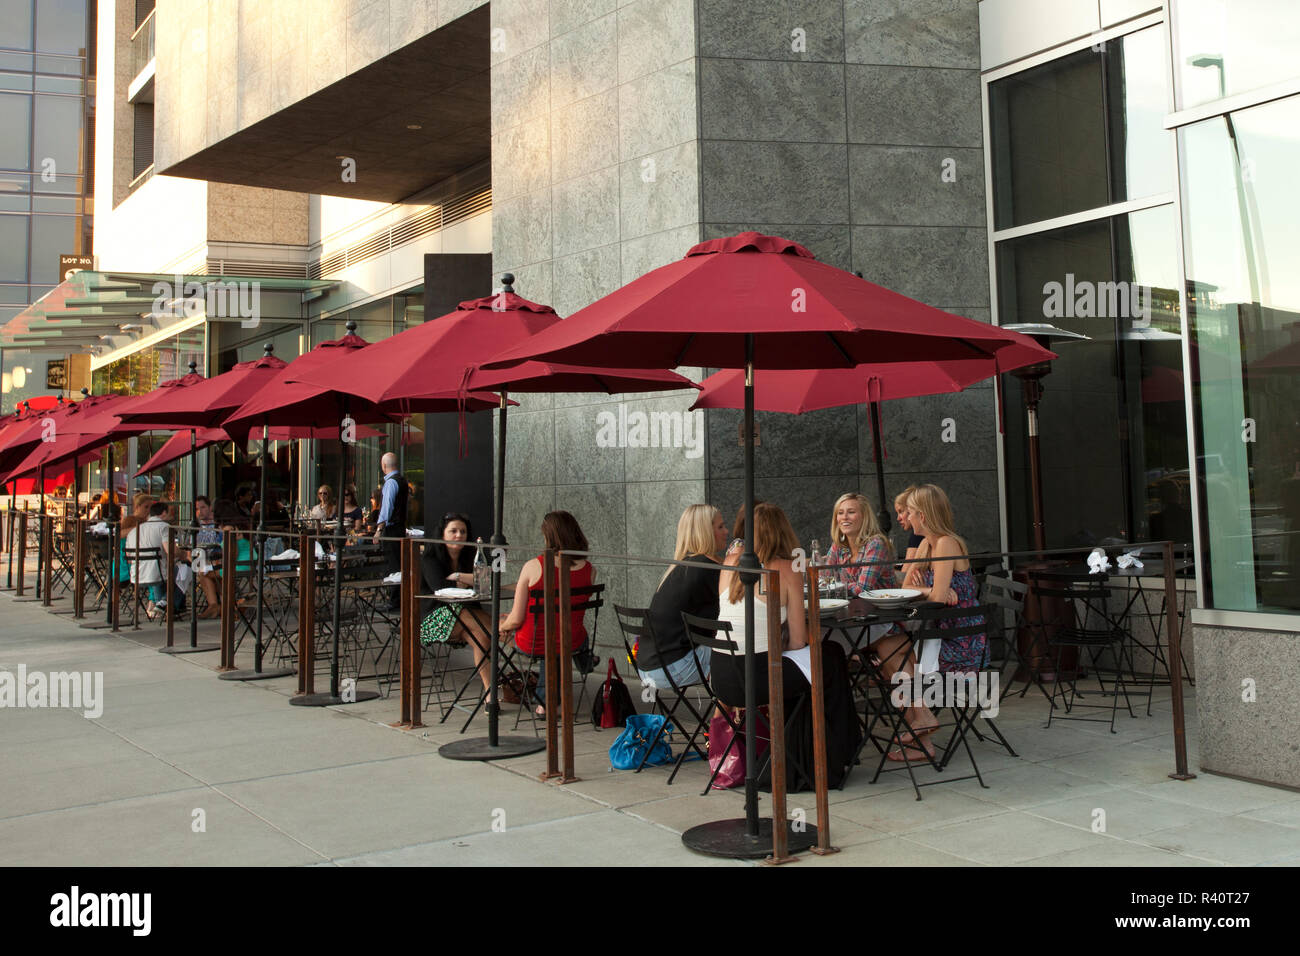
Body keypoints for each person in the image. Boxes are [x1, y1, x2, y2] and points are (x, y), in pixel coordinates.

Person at [713, 502, 860, 790]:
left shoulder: (730, 562)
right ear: (783, 530)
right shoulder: (785, 569)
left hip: (722, 679)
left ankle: (806, 751)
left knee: (820, 662)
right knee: (830, 657)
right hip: (759, 679)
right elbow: (797, 640)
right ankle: (834, 748)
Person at [894, 483, 988, 761]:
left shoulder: (947, 542)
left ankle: (920, 736)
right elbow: (907, 587)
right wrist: (925, 590)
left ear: (922, 514)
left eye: (909, 512)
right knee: (895, 654)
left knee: (898, 662)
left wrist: (926, 591)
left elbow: (934, 597)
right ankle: (922, 728)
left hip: (962, 642)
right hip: (940, 631)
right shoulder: (926, 544)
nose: (907, 518)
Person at [498, 511, 595, 714]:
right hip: (572, 640)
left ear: (547, 536)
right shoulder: (589, 570)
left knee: (506, 625)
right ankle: (584, 661)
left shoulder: (533, 566)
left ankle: (544, 703)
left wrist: (503, 626)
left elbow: (516, 619)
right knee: (561, 638)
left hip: (534, 642)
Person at [640, 504, 728, 692]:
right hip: (673, 667)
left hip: (648, 667)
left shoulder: (681, 566)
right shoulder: (709, 569)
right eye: (720, 527)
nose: (726, 531)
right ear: (705, 532)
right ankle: (730, 719)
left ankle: (722, 718)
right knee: (743, 654)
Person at [420, 512, 498, 682]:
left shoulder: (472, 557)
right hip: (432, 621)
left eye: (463, 532)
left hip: (465, 616)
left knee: (482, 637)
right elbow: (441, 589)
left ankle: (490, 694)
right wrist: (467, 580)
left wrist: (457, 576)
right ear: (442, 534)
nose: (459, 535)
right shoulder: (430, 559)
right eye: (453, 531)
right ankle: (505, 633)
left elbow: (486, 580)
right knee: (463, 612)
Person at [825, 492, 897, 596]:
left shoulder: (876, 544)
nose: (844, 517)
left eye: (851, 512)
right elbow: (822, 580)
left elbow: (862, 589)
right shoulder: (838, 545)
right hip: (852, 607)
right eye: (840, 513)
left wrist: (836, 585)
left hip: (884, 608)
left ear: (864, 517)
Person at [373, 452, 409, 610]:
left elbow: (386, 509)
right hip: (400, 527)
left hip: (392, 529)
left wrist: (379, 530)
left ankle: (394, 601)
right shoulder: (402, 481)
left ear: (383, 466)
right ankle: (399, 599)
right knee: (399, 563)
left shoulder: (390, 483)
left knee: (393, 565)